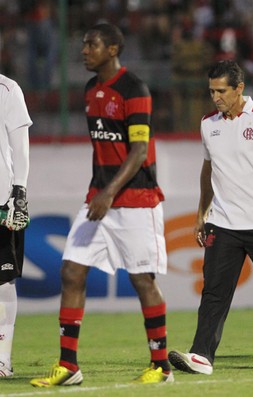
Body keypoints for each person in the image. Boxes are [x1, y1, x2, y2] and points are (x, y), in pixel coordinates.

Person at [30, 23, 173, 387]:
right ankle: (69, 366)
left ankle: (161, 366)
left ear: (112, 49)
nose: (83, 50)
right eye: (82, 43)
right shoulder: (91, 89)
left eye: (91, 44)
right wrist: (101, 192)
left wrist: (108, 193)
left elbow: (139, 151)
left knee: (142, 280)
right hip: (100, 196)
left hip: (135, 199)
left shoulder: (134, 89)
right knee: (72, 271)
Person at [168, 60, 253, 375]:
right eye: (212, 91)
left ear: (239, 88)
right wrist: (202, 212)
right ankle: (201, 356)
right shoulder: (207, 124)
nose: (215, 97)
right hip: (224, 224)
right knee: (213, 290)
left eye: (221, 91)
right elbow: (208, 169)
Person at [0, 75, 32, 377]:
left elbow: (20, 144)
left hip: (0, 199)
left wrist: (19, 191)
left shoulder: (7, 89)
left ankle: (2, 359)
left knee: (2, 280)